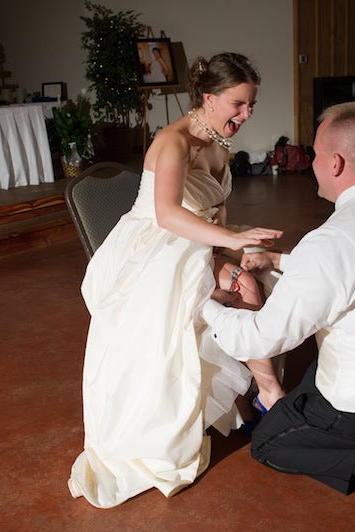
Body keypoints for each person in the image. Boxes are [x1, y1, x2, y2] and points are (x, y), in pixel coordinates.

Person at [203, 101, 355, 527]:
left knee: (268, 444)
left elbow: (260, 338)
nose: (312, 163)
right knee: (307, 382)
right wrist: (279, 260)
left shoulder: (332, 241)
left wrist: (203, 304)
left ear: (335, 163)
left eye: (315, 154)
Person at [68, 52, 285, 509]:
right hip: (154, 247)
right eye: (238, 105)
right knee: (233, 292)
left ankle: (257, 400)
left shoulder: (220, 142)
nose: (246, 115)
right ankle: (267, 397)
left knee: (251, 282)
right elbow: (167, 215)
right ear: (209, 98)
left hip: (194, 243)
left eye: (251, 106)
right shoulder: (174, 142)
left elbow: (213, 213)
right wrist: (230, 239)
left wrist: (235, 251)